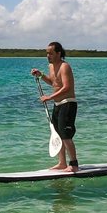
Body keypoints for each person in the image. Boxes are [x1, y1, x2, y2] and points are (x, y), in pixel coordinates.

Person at [30, 41, 78, 171]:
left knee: (66, 135)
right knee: (57, 134)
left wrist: (49, 97)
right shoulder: (51, 67)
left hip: (68, 103)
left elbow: (67, 87)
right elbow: (54, 83)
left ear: (58, 53)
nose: (48, 55)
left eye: (50, 53)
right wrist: (41, 75)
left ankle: (74, 165)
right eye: (46, 53)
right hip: (57, 104)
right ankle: (62, 163)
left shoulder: (64, 67)